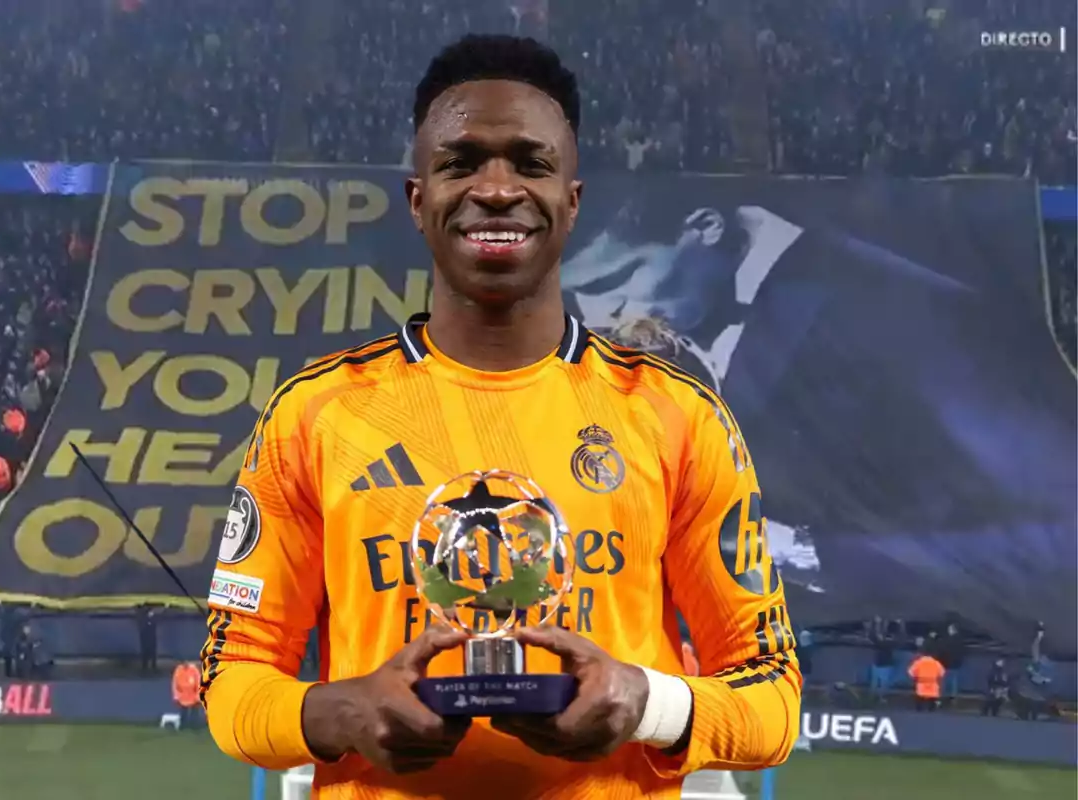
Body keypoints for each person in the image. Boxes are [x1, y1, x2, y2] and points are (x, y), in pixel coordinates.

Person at [200, 34, 801, 799]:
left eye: (529, 162)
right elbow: (231, 679)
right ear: (419, 200)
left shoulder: (676, 416)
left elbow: (772, 693)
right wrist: (340, 713)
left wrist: (647, 704)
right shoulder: (314, 416)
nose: (495, 187)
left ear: (570, 201)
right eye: (460, 162)